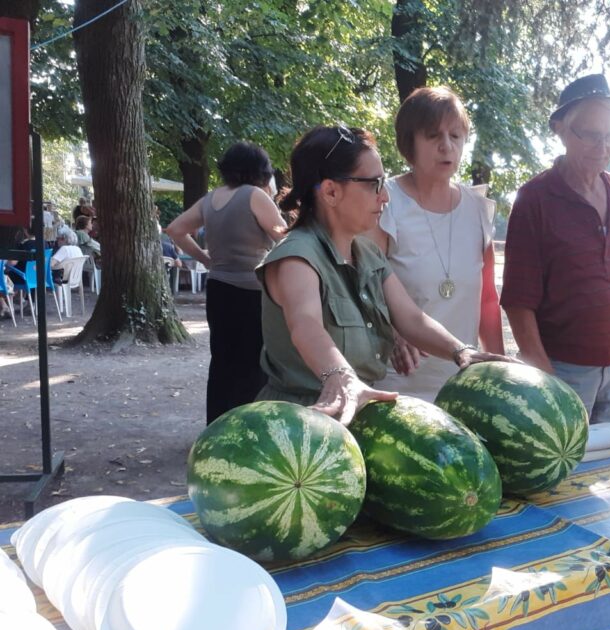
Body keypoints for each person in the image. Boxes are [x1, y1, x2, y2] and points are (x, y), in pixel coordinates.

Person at [257, 124, 509, 424]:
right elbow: (306, 325)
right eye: (374, 184)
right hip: (302, 422)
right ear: (331, 191)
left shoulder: (367, 253)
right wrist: (340, 376)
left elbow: (411, 318)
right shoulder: (297, 257)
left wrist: (461, 352)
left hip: (355, 419)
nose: (385, 197)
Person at [501, 73, 610, 423]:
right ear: (561, 130)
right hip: (562, 371)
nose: (603, 146)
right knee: (564, 473)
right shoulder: (534, 199)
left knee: (609, 473)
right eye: (591, 135)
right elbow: (518, 302)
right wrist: (546, 380)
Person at [365, 86, 504, 402]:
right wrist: (394, 333)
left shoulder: (478, 208)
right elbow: (364, 287)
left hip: (461, 380)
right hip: (395, 382)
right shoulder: (384, 202)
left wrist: (497, 374)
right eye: (433, 136)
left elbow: (487, 300)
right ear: (408, 143)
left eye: (455, 136)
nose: (446, 146)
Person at [166, 141, 287, 424]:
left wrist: (206, 259)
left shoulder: (210, 199)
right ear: (260, 170)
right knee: (253, 363)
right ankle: (247, 427)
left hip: (218, 288)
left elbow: (175, 230)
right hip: (252, 291)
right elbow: (286, 237)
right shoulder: (255, 196)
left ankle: (217, 427)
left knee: (222, 360)